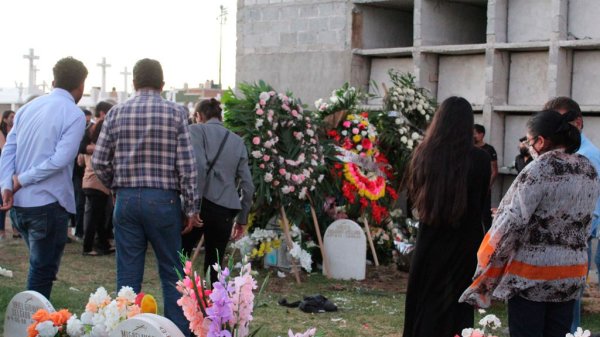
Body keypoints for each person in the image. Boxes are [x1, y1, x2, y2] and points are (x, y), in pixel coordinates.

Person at [460, 110, 600, 337]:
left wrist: (485, 268)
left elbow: (510, 223)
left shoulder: (539, 169)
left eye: (528, 140)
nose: (527, 146)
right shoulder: (588, 170)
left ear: (541, 141)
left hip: (532, 276)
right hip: (571, 273)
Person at [91, 58, 200, 335]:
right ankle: (178, 332)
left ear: (134, 83)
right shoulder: (176, 113)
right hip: (164, 200)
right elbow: (187, 166)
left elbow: (100, 161)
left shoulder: (116, 113)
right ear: (162, 85)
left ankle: (126, 330)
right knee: (172, 273)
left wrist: (116, 187)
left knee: (127, 276)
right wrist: (191, 208)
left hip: (126, 200)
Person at [403, 97, 491, 337]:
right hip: (466, 241)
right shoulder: (481, 159)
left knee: (426, 299)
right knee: (458, 305)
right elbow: (483, 204)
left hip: (430, 237)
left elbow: (411, 201)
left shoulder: (423, 154)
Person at [0, 57, 88, 299]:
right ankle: (33, 326)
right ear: (80, 85)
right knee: (41, 273)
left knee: (40, 269)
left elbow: (9, 149)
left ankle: (34, 322)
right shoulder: (74, 114)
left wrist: (7, 183)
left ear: (53, 81)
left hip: (20, 205)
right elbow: (61, 159)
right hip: (46, 205)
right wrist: (18, 181)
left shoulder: (28, 107)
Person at [543, 97, 600, 333]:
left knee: (568, 303)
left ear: (577, 122)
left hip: (574, 240)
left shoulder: (587, 156)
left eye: (559, 122)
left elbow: (590, 209)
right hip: (562, 241)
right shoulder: (567, 152)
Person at [182, 98, 254, 282]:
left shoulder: (195, 130)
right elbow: (248, 185)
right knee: (215, 265)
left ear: (198, 115)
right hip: (225, 209)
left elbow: (198, 167)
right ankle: (213, 308)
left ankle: (181, 304)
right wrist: (243, 218)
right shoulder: (238, 141)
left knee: (181, 258)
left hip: (199, 206)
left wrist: (193, 207)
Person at [81, 101, 114, 256]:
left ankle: (103, 244)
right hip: (97, 183)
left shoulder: (90, 145)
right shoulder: (100, 148)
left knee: (99, 217)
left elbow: (80, 160)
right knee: (95, 217)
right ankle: (87, 247)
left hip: (89, 181)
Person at [473, 124, 498, 231]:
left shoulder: (489, 149)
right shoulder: (468, 149)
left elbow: (494, 171)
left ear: (481, 134)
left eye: (474, 133)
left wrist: (487, 186)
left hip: (484, 189)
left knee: (485, 216)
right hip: (470, 189)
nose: (472, 136)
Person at [0, 110, 16, 240]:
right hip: (3, 168)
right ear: (5, 119)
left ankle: (16, 229)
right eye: (11, 117)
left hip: (12, 168)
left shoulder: (15, 131)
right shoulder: (2, 133)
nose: (14, 118)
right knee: (3, 199)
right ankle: (1, 230)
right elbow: (5, 148)